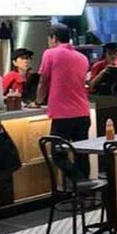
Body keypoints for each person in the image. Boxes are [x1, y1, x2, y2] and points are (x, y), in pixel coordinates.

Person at [36, 23, 91, 176]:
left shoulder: (50, 54)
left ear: (54, 38)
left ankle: (76, 180)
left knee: (58, 154)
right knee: (81, 155)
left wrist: (38, 101)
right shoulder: (82, 58)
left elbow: (43, 81)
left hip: (62, 115)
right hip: (83, 113)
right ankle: (85, 186)